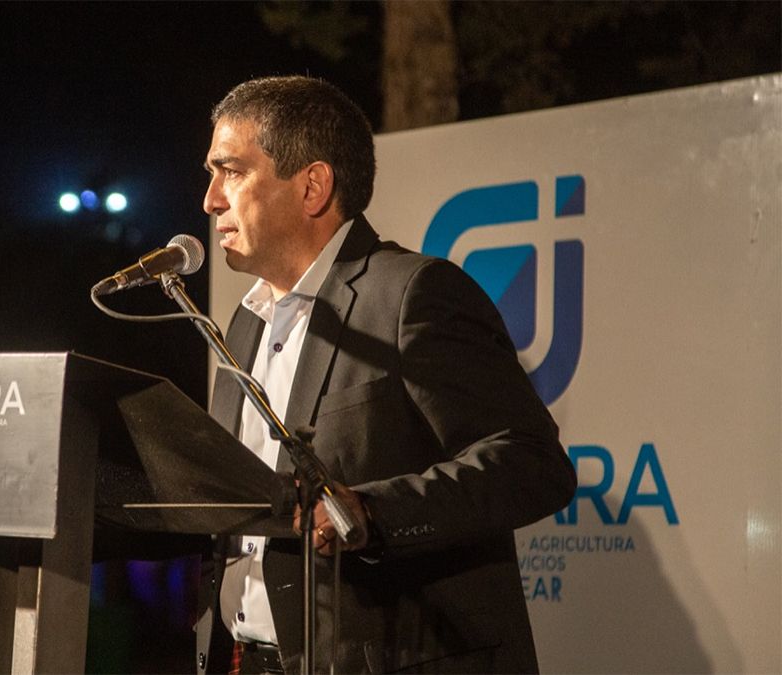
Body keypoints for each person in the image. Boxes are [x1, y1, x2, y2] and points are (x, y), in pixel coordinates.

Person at [194, 76, 577, 674]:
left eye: (232, 172)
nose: (211, 200)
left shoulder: (410, 295)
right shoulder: (242, 324)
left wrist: (372, 512)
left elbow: (531, 463)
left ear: (313, 186)